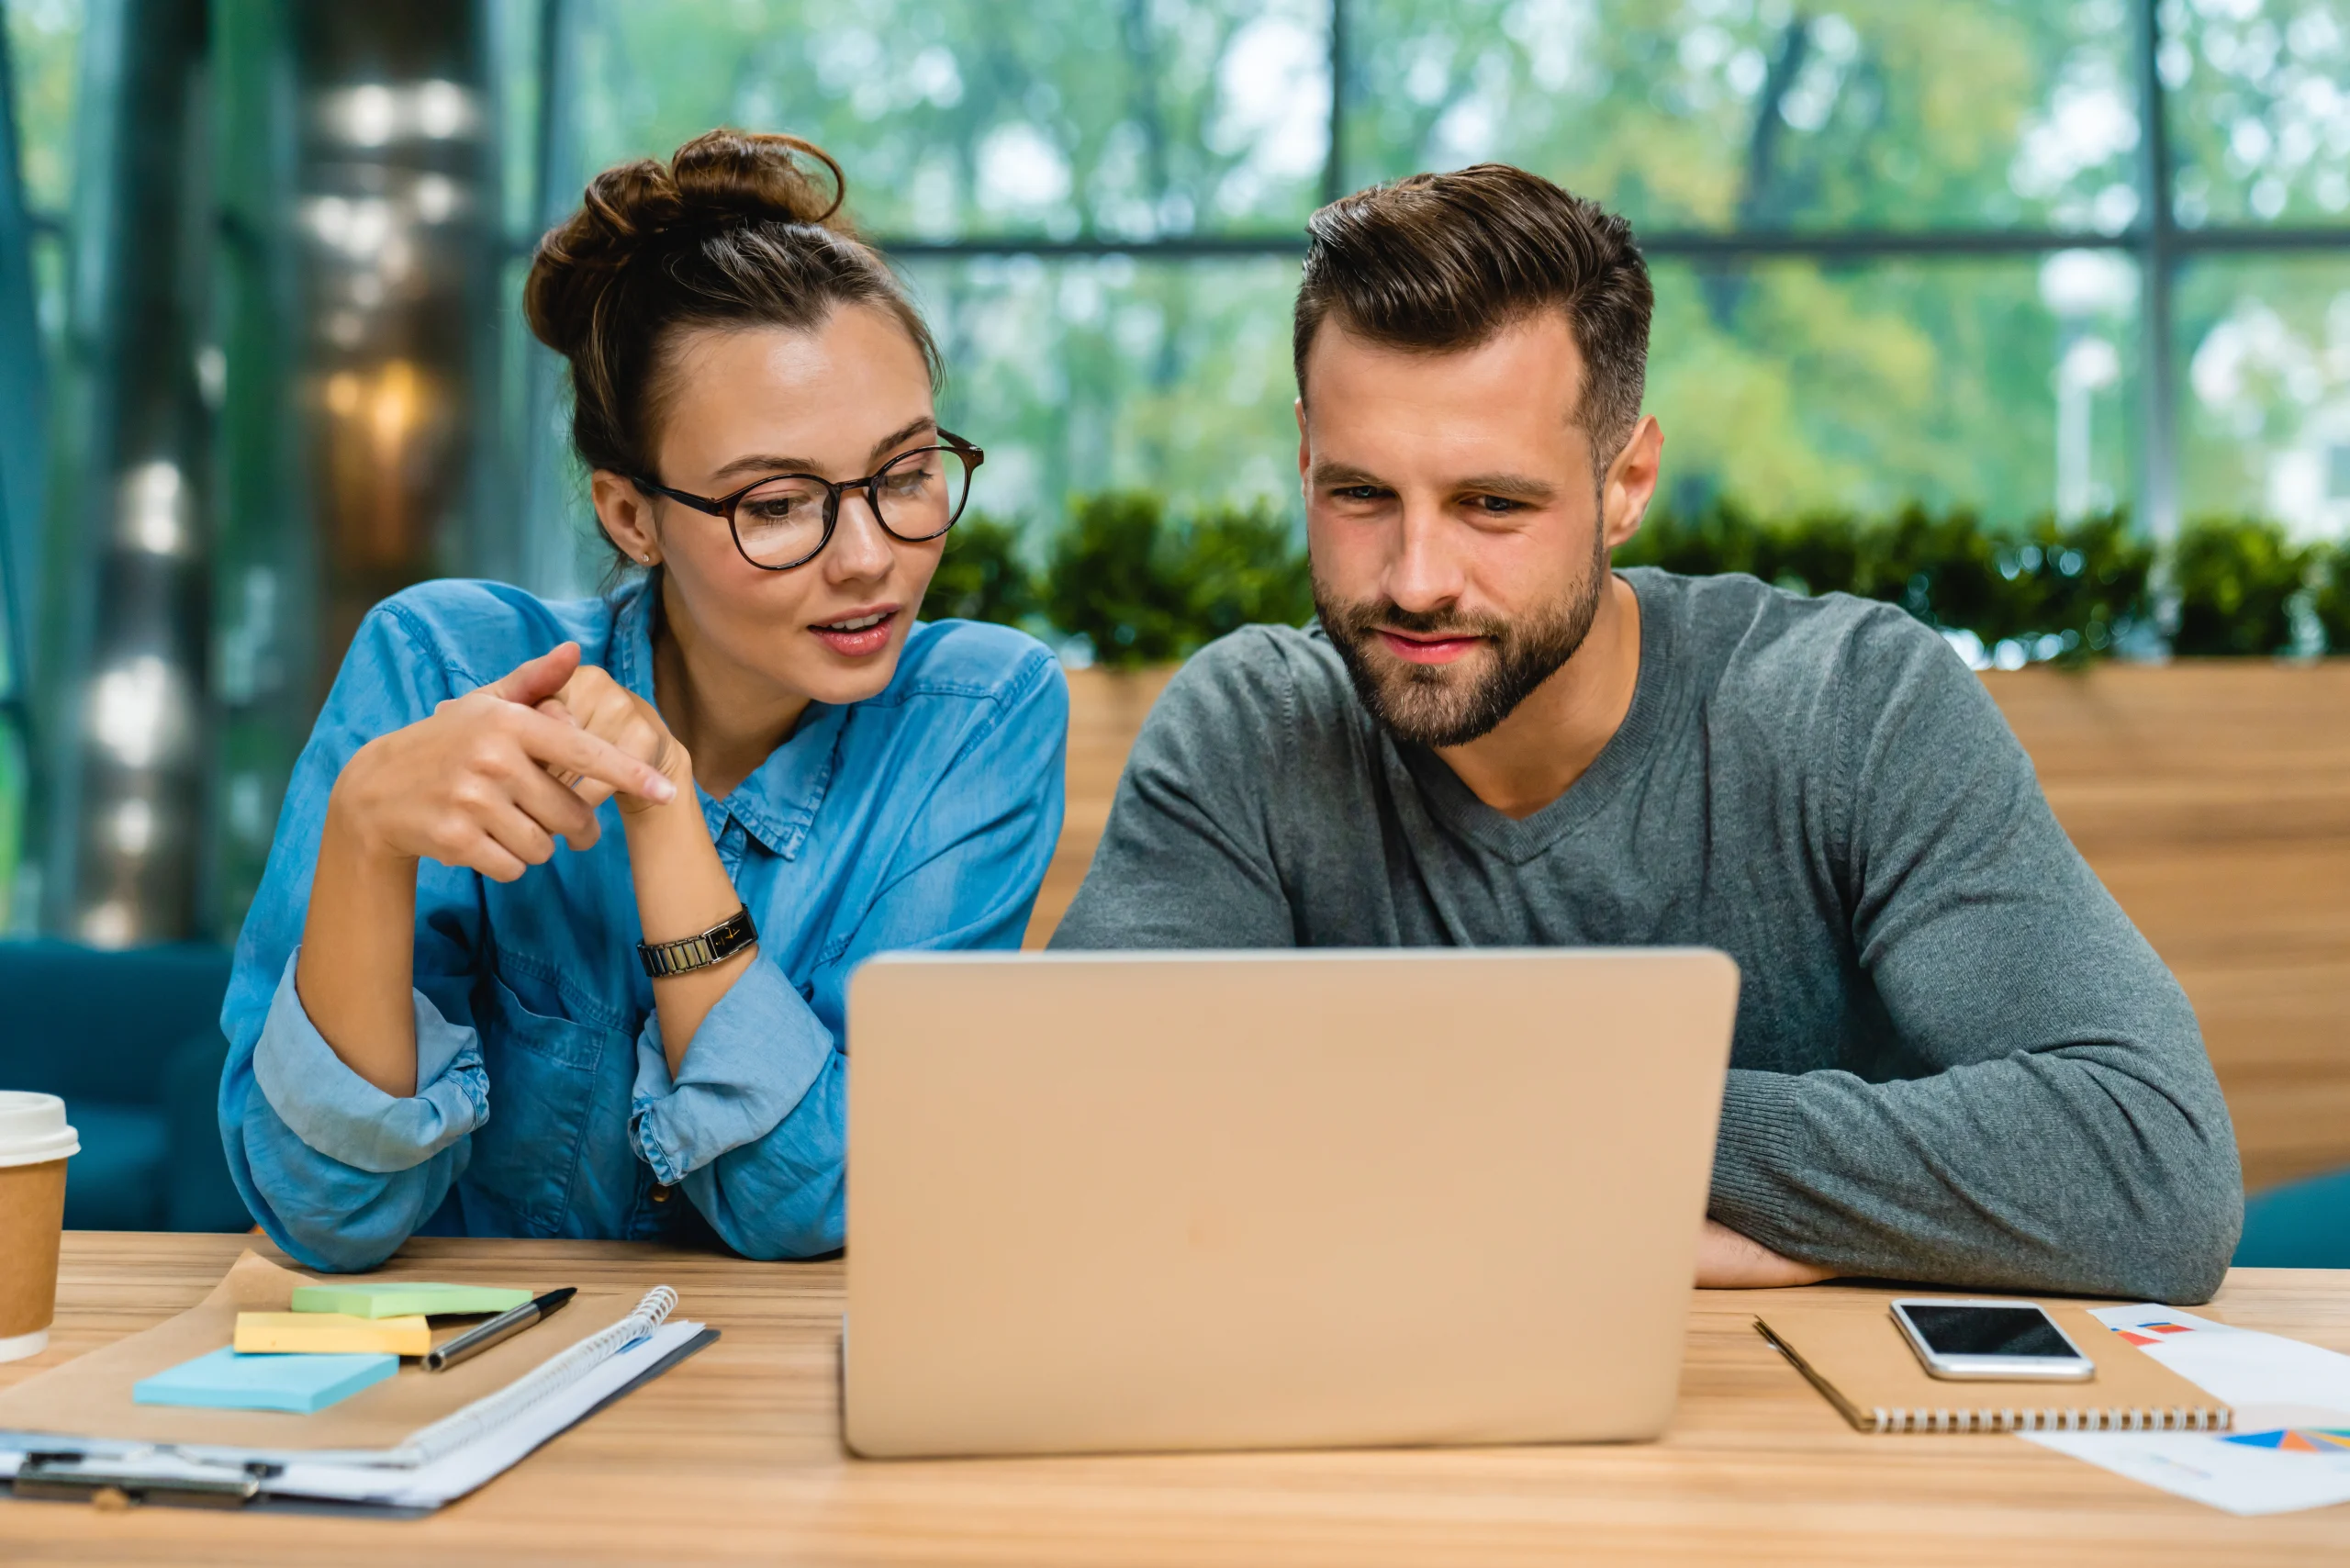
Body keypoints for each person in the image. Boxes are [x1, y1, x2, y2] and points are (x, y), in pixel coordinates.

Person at [1051, 164, 2242, 1302]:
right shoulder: (1245, 734)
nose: (1415, 580)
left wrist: (1549, 1118)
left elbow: (2154, 1168)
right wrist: (1745, 1191)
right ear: (1307, 457)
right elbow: (1084, 1162)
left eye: (1493, 505)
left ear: (1626, 482)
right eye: (1360, 495)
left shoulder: (1856, 704)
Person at [220, 130, 1067, 1271]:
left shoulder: (979, 718)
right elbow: (323, 1213)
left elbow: (822, 1203)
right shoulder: (440, 666)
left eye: (907, 475)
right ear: (630, 516)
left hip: (765, 1423)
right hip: (456, 1402)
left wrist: (661, 817)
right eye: (777, 503)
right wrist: (367, 835)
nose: (870, 556)